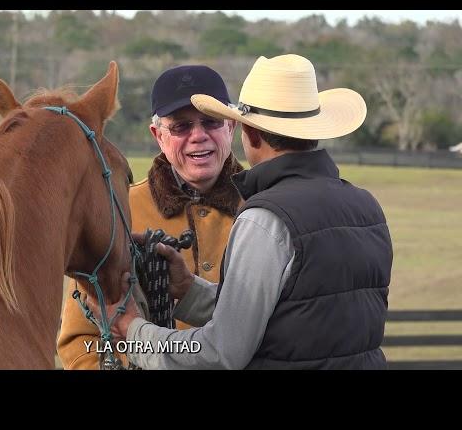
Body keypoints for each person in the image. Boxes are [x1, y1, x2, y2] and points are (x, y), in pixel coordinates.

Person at [90, 54, 393, 370]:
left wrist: (131, 330)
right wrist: (190, 290)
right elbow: (292, 318)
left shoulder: (265, 219)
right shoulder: (367, 207)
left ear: (249, 132)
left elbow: (220, 352)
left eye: (212, 121)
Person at [57, 65, 244, 369]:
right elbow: (79, 339)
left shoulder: (266, 211)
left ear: (231, 128)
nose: (198, 136)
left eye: (211, 122)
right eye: (181, 126)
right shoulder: (116, 210)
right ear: (158, 135)